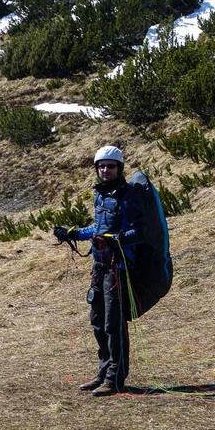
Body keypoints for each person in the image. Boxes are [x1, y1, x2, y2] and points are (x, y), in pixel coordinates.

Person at [54, 146, 146, 396]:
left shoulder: (129, 196)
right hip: (99, 266)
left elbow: (139, 232)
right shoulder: (101, 195)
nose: (105, 170)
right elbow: (97, 227)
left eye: (111, 166)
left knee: (112, 324)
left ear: (120, 168)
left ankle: (115, 380)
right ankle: (103, 373)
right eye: (101, 166)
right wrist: (74, 233)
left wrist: (116, 239)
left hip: (118, 268)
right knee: (97, 321)